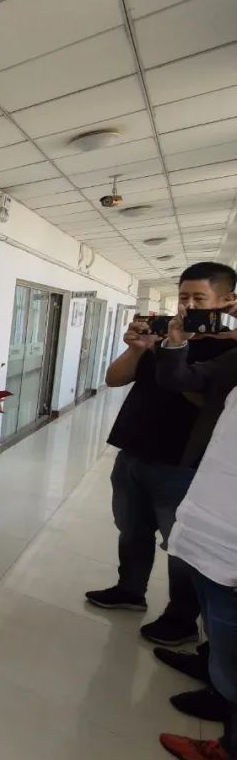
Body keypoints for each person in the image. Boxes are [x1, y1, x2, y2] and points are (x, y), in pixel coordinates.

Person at [85, 263, 237, 649]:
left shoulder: (229, 350)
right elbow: (114, 379)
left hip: (182, 464)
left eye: (199, 298)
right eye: (184, 297)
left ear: (226, 300)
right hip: (133, 451)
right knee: (131, 528)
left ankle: (180, 618)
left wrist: (175, 353)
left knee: (181, 546)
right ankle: (129, 589)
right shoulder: (166, 336)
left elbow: (208, 402)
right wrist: (139, 349)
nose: (189, 306)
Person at [152, 312, 237, 760]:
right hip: (213, 534)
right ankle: (228, 747)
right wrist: (176, 341)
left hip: (231, 549)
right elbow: (180, 380)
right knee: (226, 656)